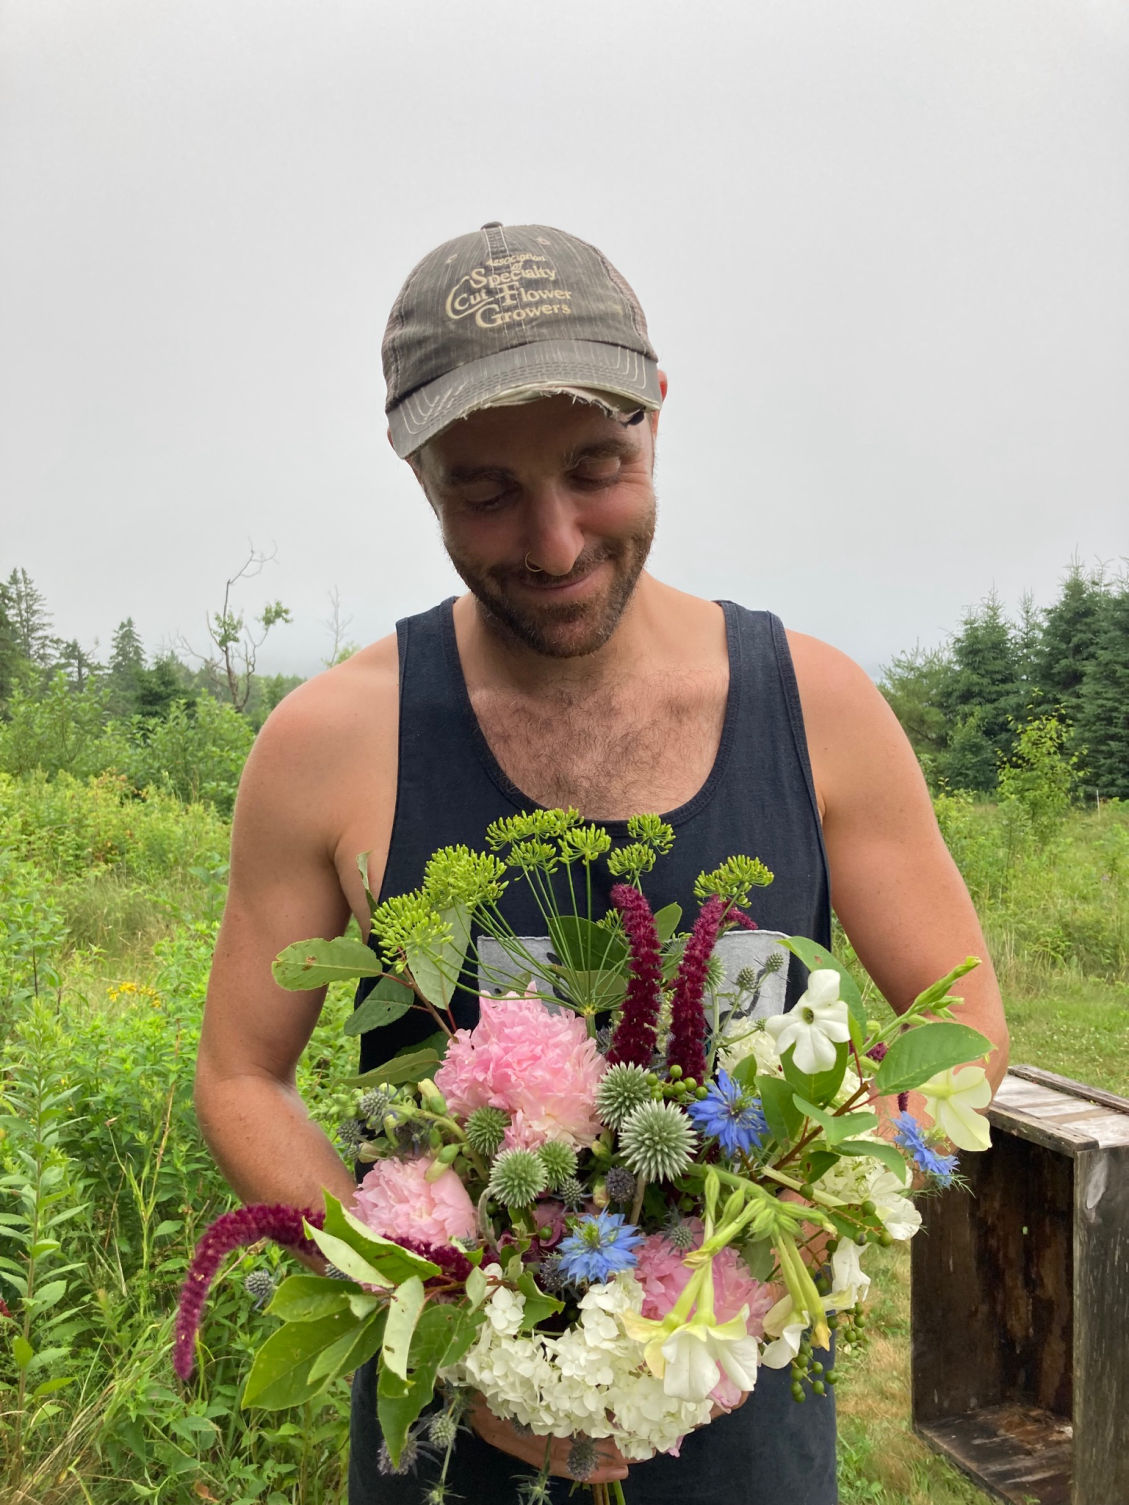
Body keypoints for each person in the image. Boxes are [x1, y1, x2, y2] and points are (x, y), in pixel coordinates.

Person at [195, 221, 1009, 1504]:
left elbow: (954, 1012)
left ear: (658, 411)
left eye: (598, 466)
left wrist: (805, 1204)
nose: (558, 542)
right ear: (415, 468)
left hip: (748, 1439)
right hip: (451, 1457)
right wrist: (441, 1301)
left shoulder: (815, 705)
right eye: (485, 492)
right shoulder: (331, 744)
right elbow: (243, 1071)